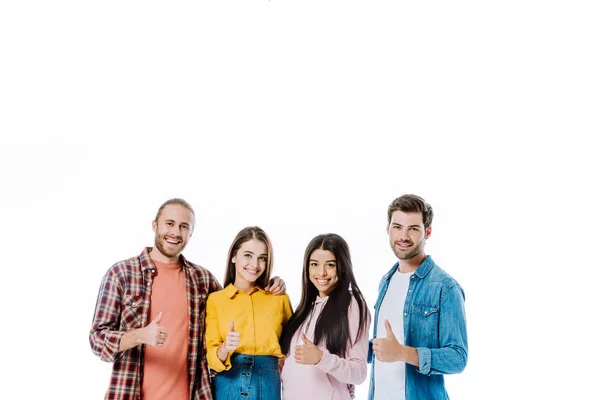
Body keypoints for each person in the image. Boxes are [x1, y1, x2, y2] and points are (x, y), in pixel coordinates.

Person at [89, 199, 286, 400]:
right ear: (155, 225)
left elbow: (238, 301)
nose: (175, 232)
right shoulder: (121, 274)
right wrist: (139, 335)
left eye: (184, 227)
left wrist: (271, 284)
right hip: (130, 393)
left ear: (190, 234)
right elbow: (97, 340)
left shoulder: (203, 280)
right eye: (170, 224)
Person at [368, 194, 468, 400]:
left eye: (413, 229)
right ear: (388, 228)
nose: (403, 236)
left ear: (427, 232)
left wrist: (402, 353)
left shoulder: (446, 288)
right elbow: (384, 346)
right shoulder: (386, 281)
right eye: (397, 227)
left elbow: (458, 358)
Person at [205, 226, 293, 400]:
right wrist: (225, 348)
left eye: (262, 258)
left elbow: (293, 347)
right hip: (228, 382)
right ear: (233, 256)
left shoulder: (279, 298)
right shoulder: (216, 300)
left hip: (268, 384)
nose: (255, 264)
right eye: (248, 255)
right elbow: (211, 356)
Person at [280, 233, 371, 400]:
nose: (321, 273)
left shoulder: (352, 304)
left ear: (342, 267)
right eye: (314, 264)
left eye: (330, 265)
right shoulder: (304, 309)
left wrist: (321, 358)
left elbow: (359, 373)